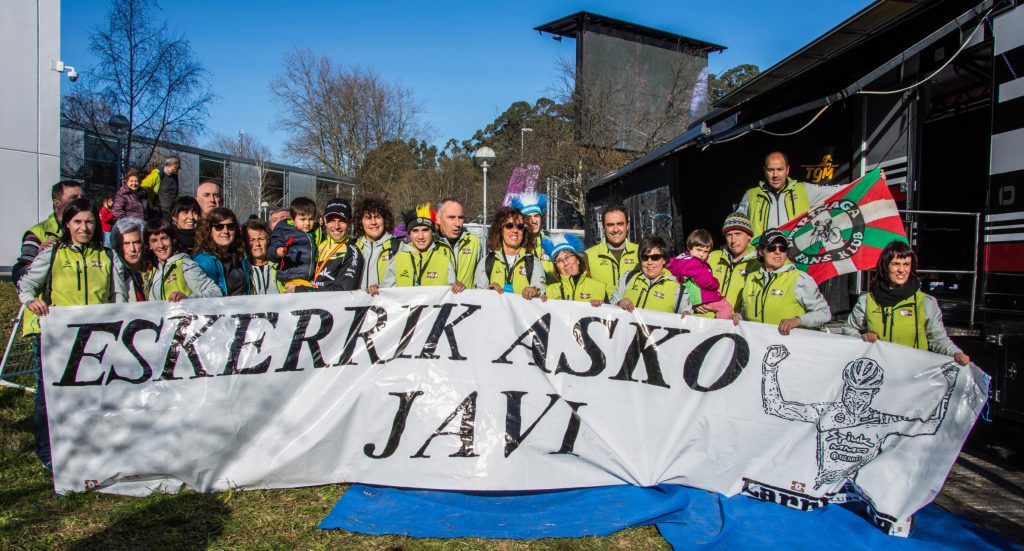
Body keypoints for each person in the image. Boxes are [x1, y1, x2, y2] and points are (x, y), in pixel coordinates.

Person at [17, 198, 126, 470]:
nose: (84, 227)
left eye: (89, 221)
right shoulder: (52, 254)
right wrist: (32, 301)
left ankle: (94, 447)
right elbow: (27, 284)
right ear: (67, 224)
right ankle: (48, 453)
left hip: (98, 340)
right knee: (50, 396)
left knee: (96, 395)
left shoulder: (108, 256)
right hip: (58, 339)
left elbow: (119, 296)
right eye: (77, 222)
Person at [842, 241, 970, 365]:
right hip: (879, 369)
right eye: (896, 264)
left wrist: (956, 353)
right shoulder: (867, 300)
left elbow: (938, 339)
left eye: (906, 264)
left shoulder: (926, 302)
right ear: (885, 267)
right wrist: (863, 337)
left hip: (913, 372)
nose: (902, 270)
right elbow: (848, 328)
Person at [733, 229, 831, 335]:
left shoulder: (800, 278)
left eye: (783, 248)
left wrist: (797, 321)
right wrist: (739, 317)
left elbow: (824, 313)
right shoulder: (751, 278)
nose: (778, 252)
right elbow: (746, 312)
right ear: (761, 251)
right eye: (772, 247)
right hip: (757, 346)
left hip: (788, 347)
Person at [736, 151, 840, 237]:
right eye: (771, 170)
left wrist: (856, 184)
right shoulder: (751, 195)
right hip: (761, 259)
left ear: (787, 170)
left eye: (780, 169)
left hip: (795, 259)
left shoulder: (803, 190)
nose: (775, 175)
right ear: (764, 171)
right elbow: (736, 229)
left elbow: (838, 191)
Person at [373, 204, 460, 293]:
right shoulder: (397, 260)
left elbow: (453, 297)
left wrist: (459, 288)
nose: (420, 236)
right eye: (415, 231)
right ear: (409, 233)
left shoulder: (444, 262)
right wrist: (376, 289)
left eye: (425, 230)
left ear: (433, 232)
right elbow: (384, 292)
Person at [13, 180, 85, 286]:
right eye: (73, 198)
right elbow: (18, 276)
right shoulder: (38, 233)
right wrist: (40, 259)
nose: (81, 201)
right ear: (57, 203)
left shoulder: (91, 230)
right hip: (51, 301)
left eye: (82, 197)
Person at [611, 235, 692, 315]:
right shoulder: (628, 278)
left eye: (655, 257)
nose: (650, 262)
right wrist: (618, 304)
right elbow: (609, 307)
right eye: (645, 257)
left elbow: (688, 320)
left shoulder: (679, 290)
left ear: (664, 259)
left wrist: (688, 316)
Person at [475, 206, 545, 299]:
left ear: (524, 232)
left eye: (520, 227)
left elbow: (541, 295)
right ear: (500, 229)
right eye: (509, 225)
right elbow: (477, 299)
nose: (515, 230)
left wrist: (535, 292)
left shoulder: (534, 263)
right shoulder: (486, 262)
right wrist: (488, 292)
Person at [144, 218, 221, 301]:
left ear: (172, 240)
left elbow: (216, 292)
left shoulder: (185, 265)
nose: (161, 245)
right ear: (149, 245)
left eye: (164, 238)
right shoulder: (154, 271)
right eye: (154, 240)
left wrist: (187, 299)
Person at [667, 229, 733, 319]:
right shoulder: (693, 262)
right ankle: (723, 328)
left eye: (706, 251)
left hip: (688, 297)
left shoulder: (679, 260)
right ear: (689, 247)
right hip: (702, 297)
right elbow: (705, 280)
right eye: (699, 250)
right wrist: (715, 283)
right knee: (725, 307)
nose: (701, 254)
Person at [707, 213, 760, 313]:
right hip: (708, 321)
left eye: (738, 234)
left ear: (749, 236)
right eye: (729, 235)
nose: (733, 240)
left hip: (737, 325)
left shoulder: (758, 263)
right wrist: (696, 303)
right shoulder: (713, 257)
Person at [306, 198, 363, 292]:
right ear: (325, 221)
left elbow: (341, 291)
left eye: (342, 221)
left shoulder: (352, 252)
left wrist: (299, 290)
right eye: (331, 220)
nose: (336, 226)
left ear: (349, 222)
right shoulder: (318, 245)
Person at [193, 207, 251, 296]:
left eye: (230, 226)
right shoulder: (201, 262)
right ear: (209, 231)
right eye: (219, 227)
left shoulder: (241, 256)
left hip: (243, 308)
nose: (225, 231)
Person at [268, 197, 322, 291]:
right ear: (293, 220)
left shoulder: (316, 231)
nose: (307, 223)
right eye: (303, 219)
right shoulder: (285, 230)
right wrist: (277, 251)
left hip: (310, 278)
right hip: (292, 278)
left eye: (311, 219)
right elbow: (270, 250)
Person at [585, 204, 639, 298]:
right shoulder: (588, 256)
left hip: (635, 312)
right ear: (603, 227)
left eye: (620, 224)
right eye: (610, 225)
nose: (615, 229)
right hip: (602, 312)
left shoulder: (642, 253)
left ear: (627, 225)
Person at [541, 233, 605, 306]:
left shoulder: (599, 288)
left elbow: (611, 314)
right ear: (556, 268)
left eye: (568, 256)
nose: (565, 263)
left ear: (577, 260)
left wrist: (601, 307)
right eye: (559, 260)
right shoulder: (549, 292)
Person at [353, 196, 402, 288]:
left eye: (377, 217)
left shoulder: (398, 248)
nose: (373, 222)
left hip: (386, 302)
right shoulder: (353, 248)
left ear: (385, 219)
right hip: (357, 302)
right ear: (361, 222)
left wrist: (381, 289)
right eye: (368, 218)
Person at [434, 198, 483, 288]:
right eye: (451, 217)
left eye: (460, 218)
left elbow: (481, 279)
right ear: (438, 219)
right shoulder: (430, 244)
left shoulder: (473, 241)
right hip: (440, 301)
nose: (457, 223)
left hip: (467, 301)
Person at [511, 192, 556, 284]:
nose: (534, 221)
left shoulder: (552, 244)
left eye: (536, 216)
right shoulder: (515, 245)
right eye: (528, 217)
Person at [111, 217, 147, 302]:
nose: (132, 249)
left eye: (136, 242)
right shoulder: (114, 275)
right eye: (126, 243)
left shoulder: (154, 270)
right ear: (117, 246)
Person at [244, 219, 284, 294]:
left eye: (261, 239)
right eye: (251, 240)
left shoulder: (281, 266)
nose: (257, 243)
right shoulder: (242, 269)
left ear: (268, 240)